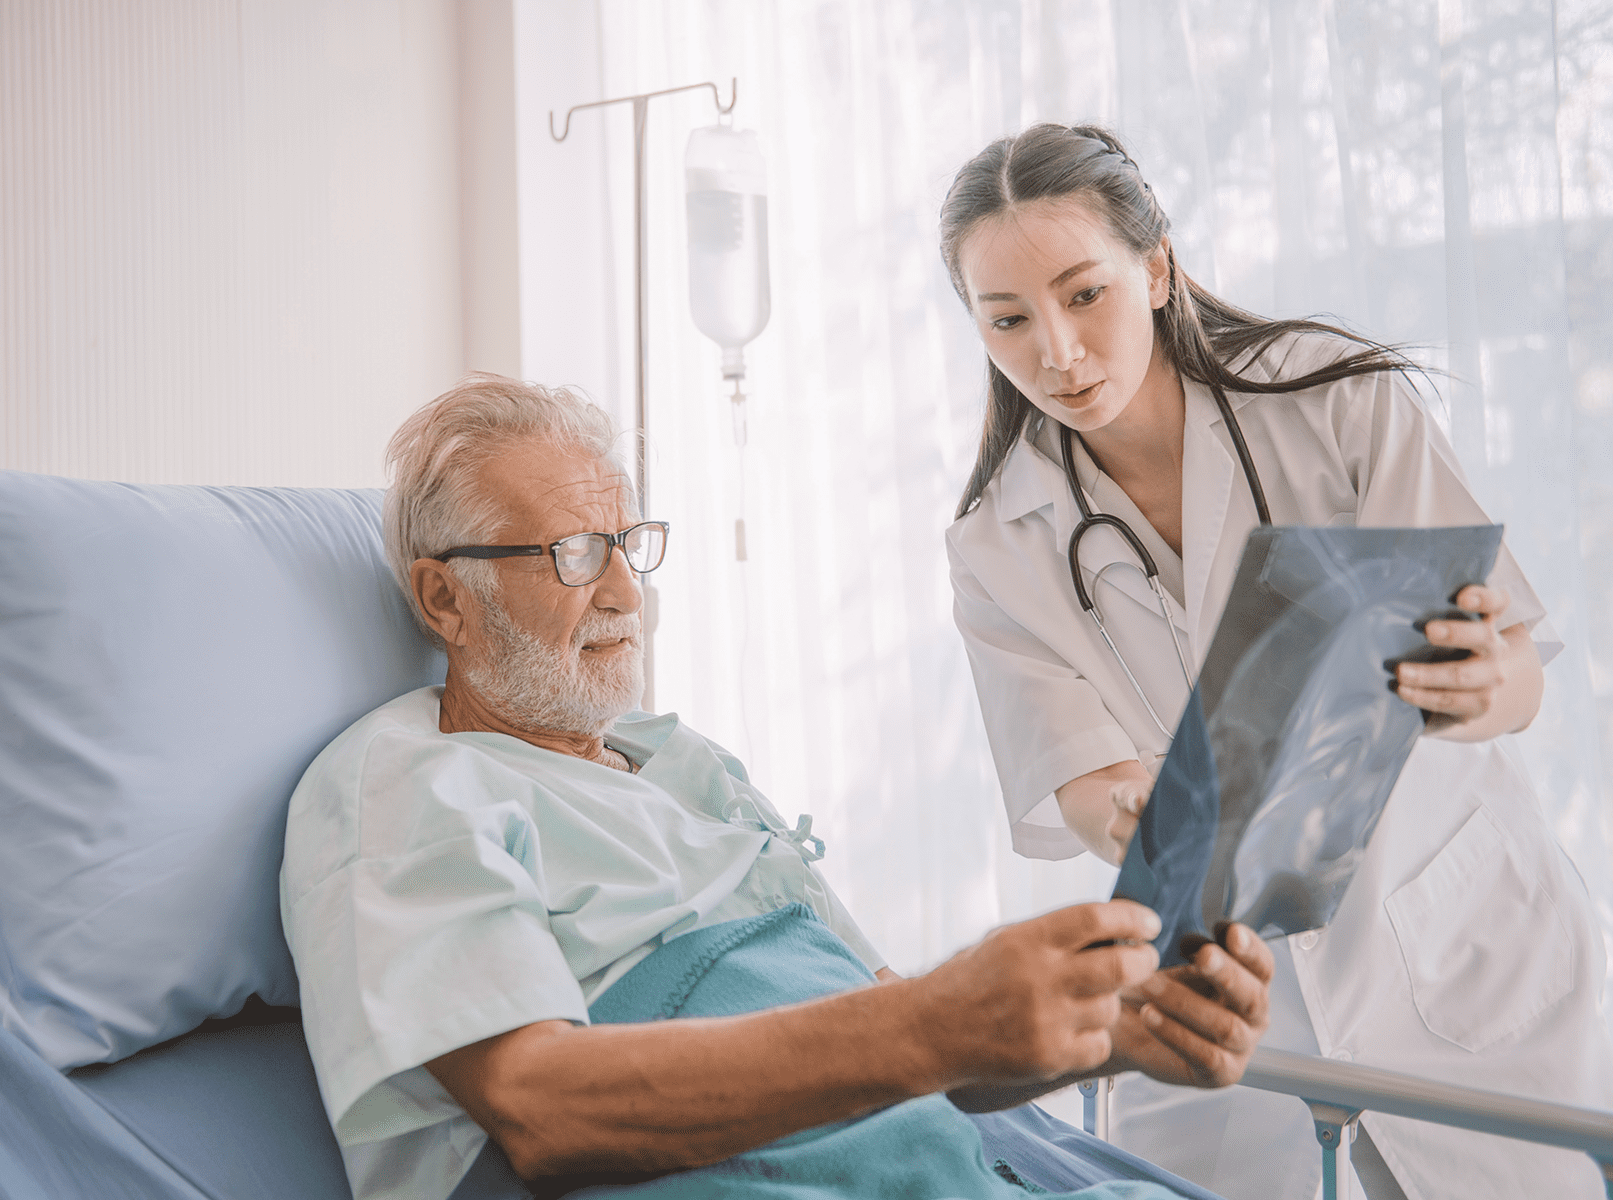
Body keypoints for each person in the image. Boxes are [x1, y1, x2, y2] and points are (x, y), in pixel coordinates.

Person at [280, 375, 1276, 1200]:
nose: (627, 592)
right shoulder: (412, 784)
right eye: (574, 553)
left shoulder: (686, 764)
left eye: (629, 544)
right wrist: (934, 1023)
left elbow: (893, 1026)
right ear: (444, 597)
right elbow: (542, 1109)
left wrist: (1108, 1027)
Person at [939, 123, 1613, 1200]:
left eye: (1084, 295)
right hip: (1223, 965)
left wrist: (1490, 684)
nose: (1056, 353)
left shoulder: (1330, 399)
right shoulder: (996, 539)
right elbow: (1074, 779)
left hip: (1454, 933)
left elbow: (1516, 670)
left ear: (1156, 267)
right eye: (1008, 319)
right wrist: (1135, 811)